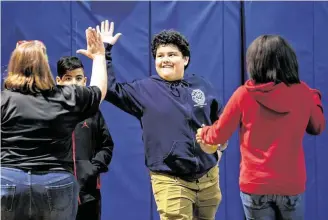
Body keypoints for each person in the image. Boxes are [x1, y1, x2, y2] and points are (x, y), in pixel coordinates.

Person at [87, 20, 225, 220]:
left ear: (185, 59)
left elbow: (220, 122)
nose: (165, 60)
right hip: (170, 180)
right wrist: (104, 53)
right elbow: (111, 89)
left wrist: (219, 148)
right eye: (160, 56)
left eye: (172, 54)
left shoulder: (202, 85)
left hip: (209, 178)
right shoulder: (144, 90)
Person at [196, 35, 326, 220]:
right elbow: (318, 126)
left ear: (254, 63)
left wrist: (204, 133)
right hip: (291, 186)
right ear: (289, 61)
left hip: (255, 185)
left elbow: (217, 135)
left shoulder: (243, 95)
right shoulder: (303, 92)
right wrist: (313, 96)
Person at [1, 27, 107, 220]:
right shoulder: (65, 97)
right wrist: (99, 56)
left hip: (8, 180)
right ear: (45, 66)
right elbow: (98, 91)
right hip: (55, 182)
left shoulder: (3, 100)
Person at [56, 56, 114, 220]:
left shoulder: (93, 112)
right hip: (56, 193)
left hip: (89, 194)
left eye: (78, 78)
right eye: (68, 78)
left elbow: (107, 145)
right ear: (58, 81)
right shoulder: (50, 111)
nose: (74, 82)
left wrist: (92, 168)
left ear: (85, 81)